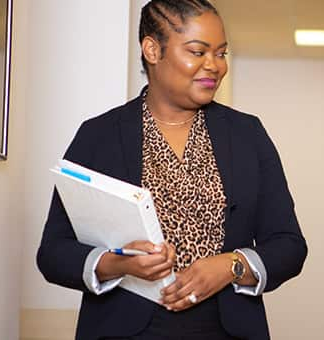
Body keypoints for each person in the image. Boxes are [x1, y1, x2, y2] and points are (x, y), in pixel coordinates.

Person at [36, 1, 306, 339]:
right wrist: (118, 264)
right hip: (123, 330)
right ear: (152, 49)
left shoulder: (248, 135)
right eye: (198, 51)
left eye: (221, 54)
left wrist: (231, 266)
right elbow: (53, 252)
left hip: (227, 330)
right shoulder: (98, 136)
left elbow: (289, 245)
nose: (214, 66)